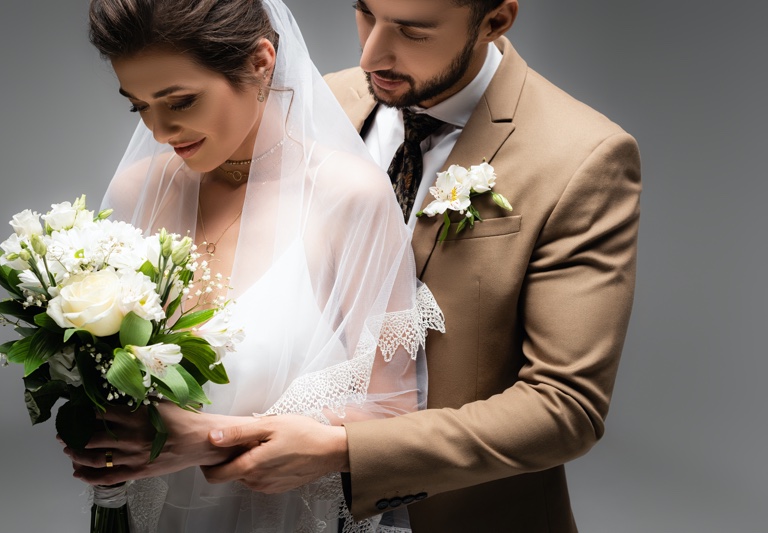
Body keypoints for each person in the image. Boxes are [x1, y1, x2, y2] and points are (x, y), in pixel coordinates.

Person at [202, 0, 642, 531]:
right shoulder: (318, 103)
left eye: (412, 32)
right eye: (365, 13)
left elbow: (566, 408)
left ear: (495, 21)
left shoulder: (582, 156)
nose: (370, 55)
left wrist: (346, 450)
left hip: (462, 515)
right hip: (285, 509)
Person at [61, 0, 444, 531]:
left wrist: (210, 440)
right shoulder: (138, 190)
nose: (159, 130)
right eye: (139, 106)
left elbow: (394, 411)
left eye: (181, 101)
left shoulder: (346, 196)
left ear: (262, 60)